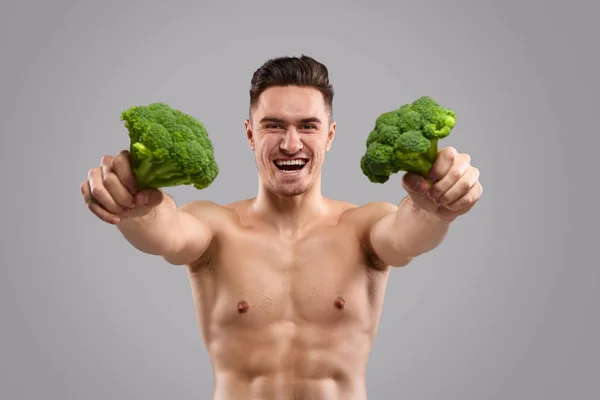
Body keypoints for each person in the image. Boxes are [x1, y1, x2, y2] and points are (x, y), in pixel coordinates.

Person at [80, 55, 482, 400]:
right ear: (250, 133)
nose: (291, 143)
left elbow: (408, 235)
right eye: (274, 125)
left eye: (307, 125)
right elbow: (165, 232)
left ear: (330, 135)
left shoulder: (365, 226)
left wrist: (435, 208)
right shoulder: (216, 227)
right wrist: (134, 207)